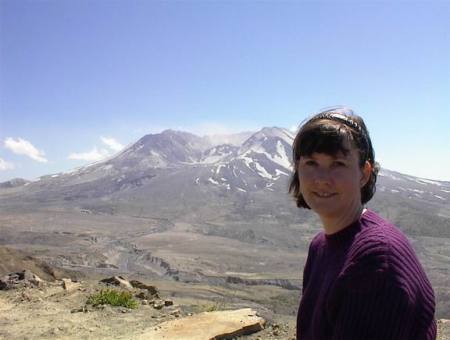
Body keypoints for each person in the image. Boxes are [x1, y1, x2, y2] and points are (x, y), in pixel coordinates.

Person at [289, 107, 436, 340]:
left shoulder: (375, 257)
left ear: (364, 173)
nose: (322, 179)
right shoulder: (320, 247)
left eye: (338, 164)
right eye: (311, 163)